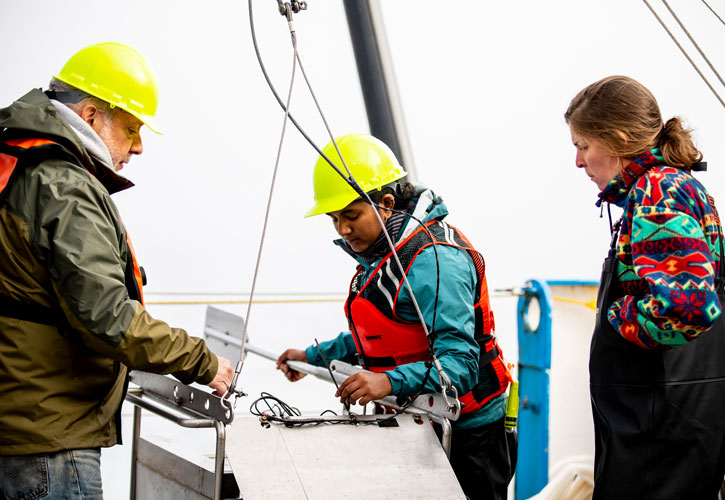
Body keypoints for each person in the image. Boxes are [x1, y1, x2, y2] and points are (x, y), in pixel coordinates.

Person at [0, 42, 234, 499]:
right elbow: (106, 315)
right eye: (131, 128)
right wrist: (202, 362)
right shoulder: (63, 185)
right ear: (89, 117)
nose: (139, 147)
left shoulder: (21, 164)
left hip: (20, 424)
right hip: (51, 439)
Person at [276, 133, 516, 500]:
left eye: (351, 215)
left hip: (469, 435)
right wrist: (310, 357)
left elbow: (462, 365)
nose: (342, 229)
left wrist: (387, 382)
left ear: (387, 203)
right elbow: (381, 335)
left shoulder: (436, 260)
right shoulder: (385, 252)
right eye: (334, 218)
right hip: (417, 419)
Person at [565, 75, 725, 499]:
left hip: (655, 434)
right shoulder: (686, 187)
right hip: (686, 427)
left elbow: (691, 309)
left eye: (583, 145)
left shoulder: (657, 194)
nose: (578, 161)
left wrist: (617, 320)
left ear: (620, 139)